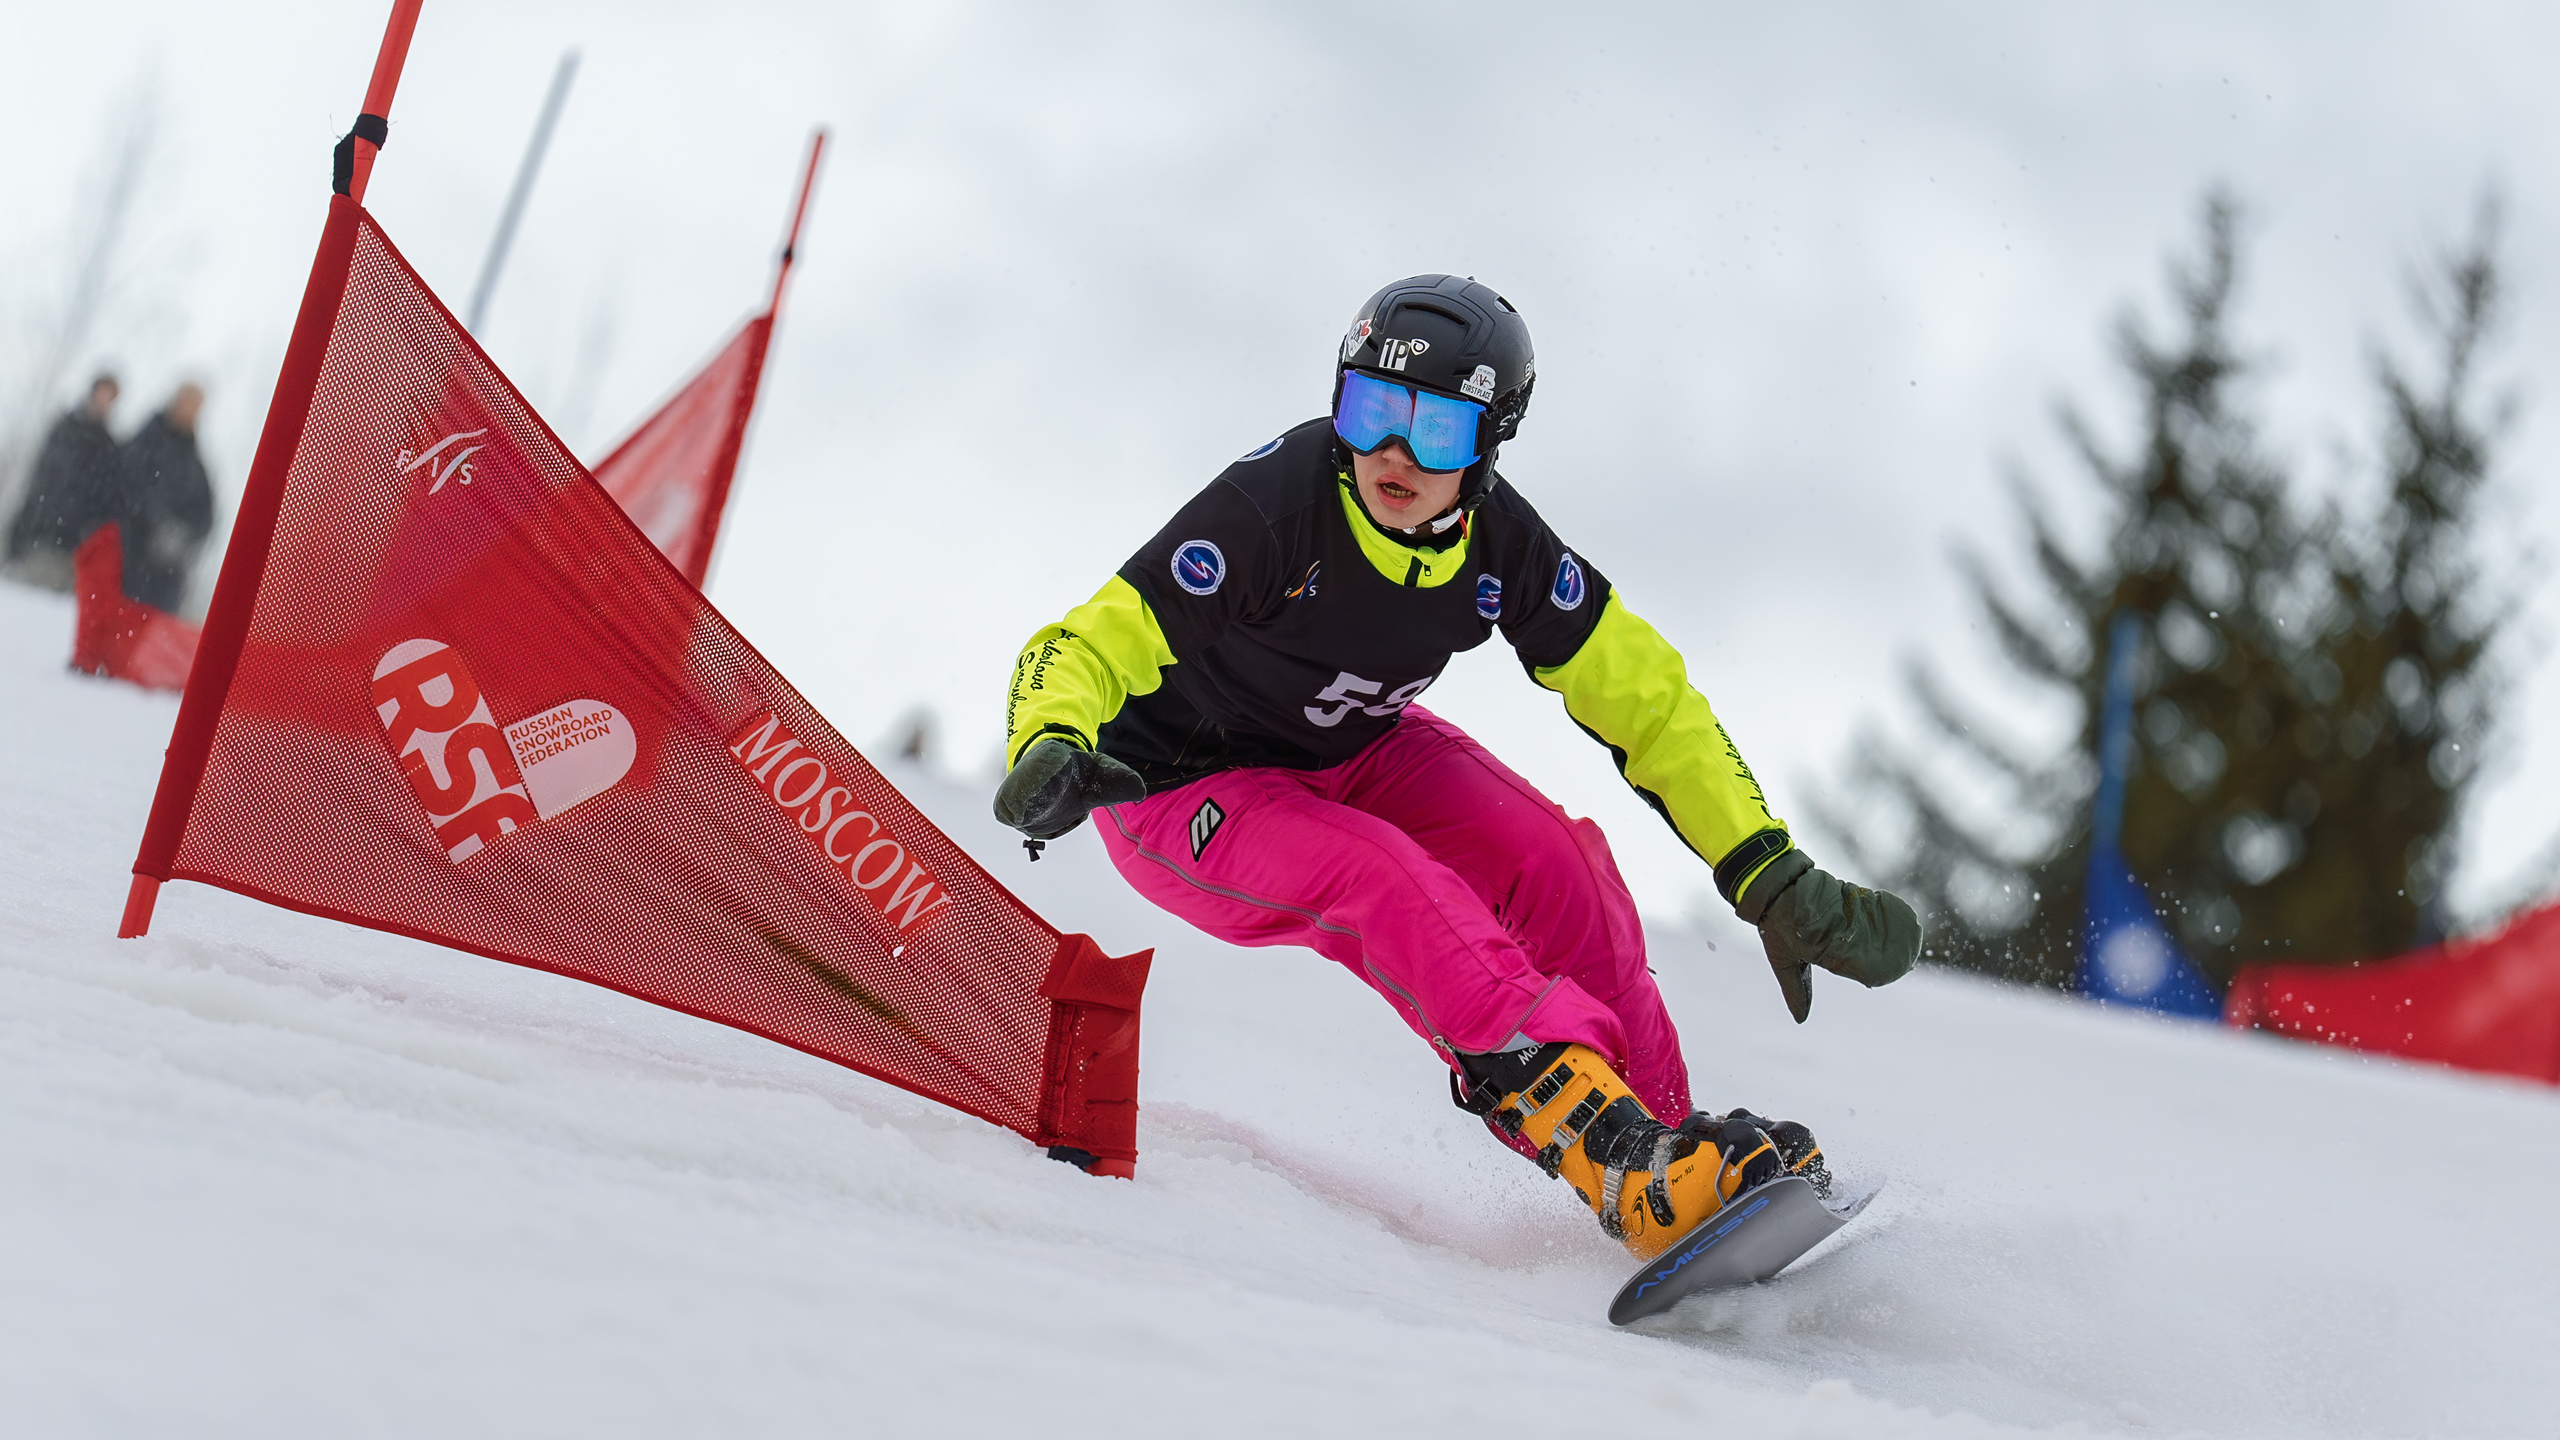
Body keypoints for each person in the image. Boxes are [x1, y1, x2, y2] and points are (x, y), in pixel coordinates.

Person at [992, 276, 1921, 1259]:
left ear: (1489, 442)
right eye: (1371, 410)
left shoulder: (1500, 545)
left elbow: (1644, 693)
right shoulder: (1277, 506)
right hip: (1181, 787)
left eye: (1436, 429)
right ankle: (1611, 1154)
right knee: (1387, 881)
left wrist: (1763, 866)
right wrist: (1049, 739)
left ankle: (1664, 1147)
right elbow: (1092, 637)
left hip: (1352, 746)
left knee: (1556, 862)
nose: (1393, 453)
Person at [4, 373, 123, 592]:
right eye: (101, 392)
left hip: (70, 544)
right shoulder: (65, 428)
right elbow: (41, 476)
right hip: (38, 531)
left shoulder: (109, 449)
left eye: (109, 396)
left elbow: (104, 498)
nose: (103, 400)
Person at [114, 382, 215, 613]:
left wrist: (182, 537)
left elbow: (205, 514)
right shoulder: (145, 443)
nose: (189, 410)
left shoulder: (196, 464)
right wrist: (158, 525)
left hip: (166, 581)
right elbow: (127, 487)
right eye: (186, 401)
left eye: (196, 405)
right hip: (128, 562)